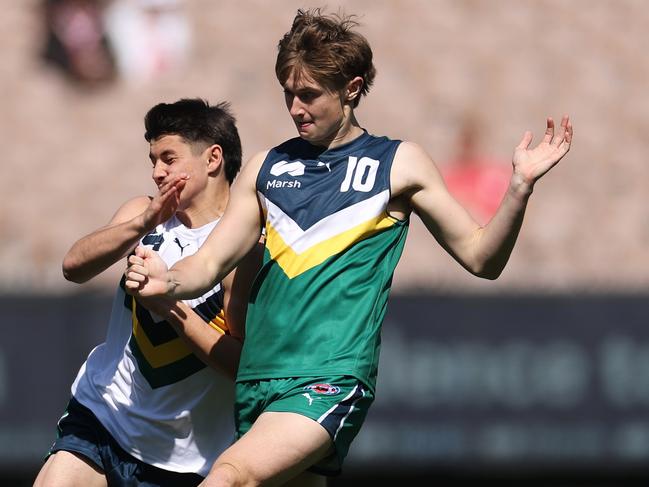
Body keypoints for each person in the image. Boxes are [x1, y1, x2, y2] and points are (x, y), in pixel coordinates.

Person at [124, 8, 574, 487]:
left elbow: (483, 259)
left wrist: (519, 186)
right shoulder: (265, 168)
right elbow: (209, 261)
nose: (295, 108)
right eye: (288, 94)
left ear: (352, 89)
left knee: (229, 476)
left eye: (309, 94)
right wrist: (166, 279)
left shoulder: (397, 164)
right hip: (258, 384)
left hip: (328, 379)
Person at [34, 98, 261, 487]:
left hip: (182, 458)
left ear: (213, 159)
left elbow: (242, 366)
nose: (157, 172)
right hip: (103, 416)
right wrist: (142, 221)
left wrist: (167, 306)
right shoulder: (144, 215)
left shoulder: (245, 251)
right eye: (153, 160)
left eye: (168, 158)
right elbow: (73, 267)